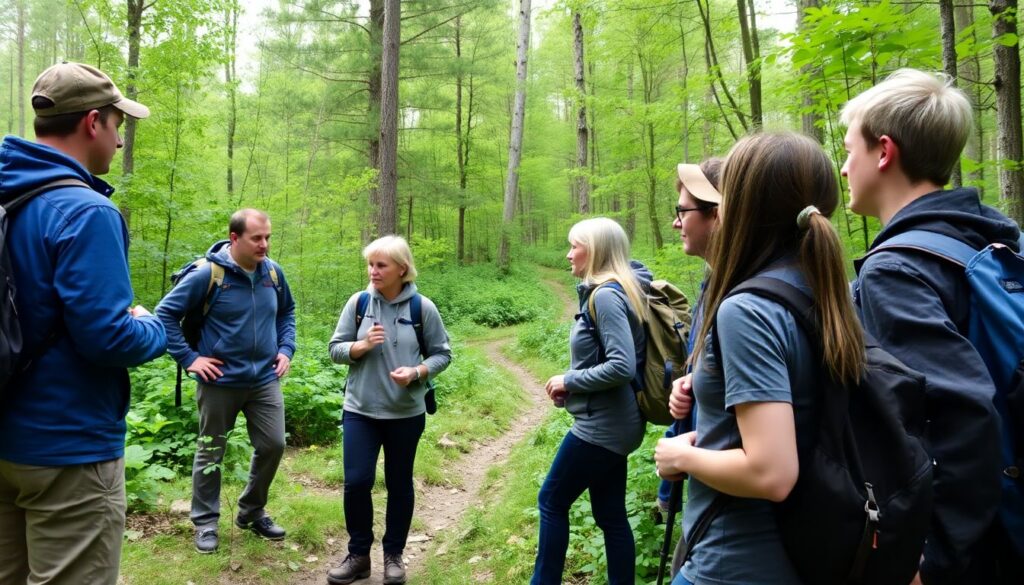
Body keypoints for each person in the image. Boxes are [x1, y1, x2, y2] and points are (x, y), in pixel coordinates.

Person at [654, 132, 867, 585]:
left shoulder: (747, 309)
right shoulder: (826, 291)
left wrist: (680, 457)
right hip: (809, 550)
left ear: (742, 205)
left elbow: (771, 472)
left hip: (734, 560)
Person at [841, 68, 1023, 584]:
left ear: (884, 152)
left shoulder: (896, 270)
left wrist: (931, 560)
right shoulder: (994, 240)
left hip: (973, 552)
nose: (844, 167)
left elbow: (964, 413)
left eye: (849, 150)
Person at [0, 62, 167, 584]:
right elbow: (109, 338)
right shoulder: (86, 211)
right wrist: (155, 328)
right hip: (69, 450)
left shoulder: (7, 196)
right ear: (93, 122)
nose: (118, 141)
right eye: (118, 125)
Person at [155, 209, 297, 554]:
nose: (264, 244)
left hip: (264, 379)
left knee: (274, 445)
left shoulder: (273, 273)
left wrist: (286, 348)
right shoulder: (209, 274)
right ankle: (205, 522)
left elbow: (286, 312)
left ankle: (251, 511)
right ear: (235, 238)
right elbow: (165, 314)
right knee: (211, 450)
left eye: (268, 237)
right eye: (256, 238)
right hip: (219, 380)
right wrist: (190, 359)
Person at [531, 217, 650, 585]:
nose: (569, 254)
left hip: (604, 426)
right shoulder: (612, 291)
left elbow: (621, 366)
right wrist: (575, 388)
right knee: (611, 515)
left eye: (575, 246)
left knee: (551, 501)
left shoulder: (606, 296)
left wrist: (568, 379)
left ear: (595, 250)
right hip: (617, 420)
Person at [327, 235, 451, 585]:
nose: (373, 271)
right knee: (356, 482)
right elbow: (335, 349)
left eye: (381, 265)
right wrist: (360, 345)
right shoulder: (359, 303)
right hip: (360, 410)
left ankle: (394, 556)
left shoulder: (422, 308)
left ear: (402, 269)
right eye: (370, 264)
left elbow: (442, 354)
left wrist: (417, 372)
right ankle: (358, 556)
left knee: (399, 483)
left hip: (405, 413)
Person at [656, 159, 722, 516]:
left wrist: (682, 458)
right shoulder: (713, 285)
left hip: (724, 508)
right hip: (705, 490)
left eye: (683, 211)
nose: (675, 222)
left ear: (717, 213)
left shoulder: (740, 299)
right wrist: (695, 381)